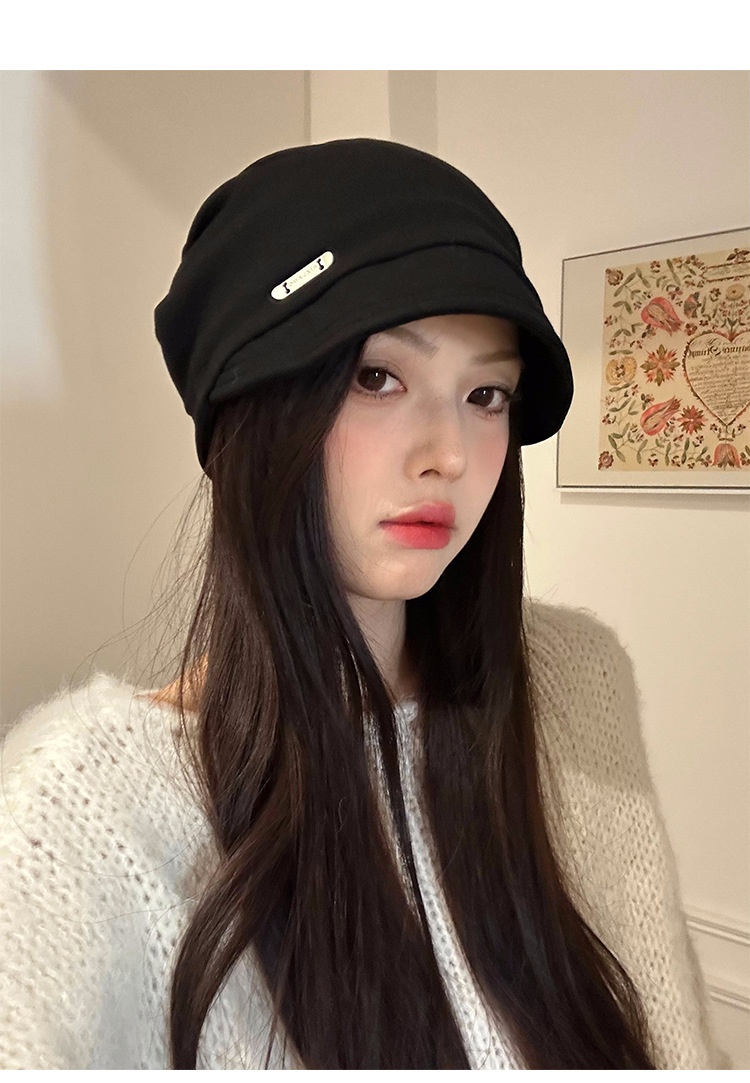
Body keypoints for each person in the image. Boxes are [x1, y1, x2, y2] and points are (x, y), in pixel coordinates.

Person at [0, 138, 729, 1070]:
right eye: (377, 377)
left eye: (487, 393)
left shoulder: (575, 686)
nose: (450, 454)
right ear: (250, 415)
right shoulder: (83, 806)